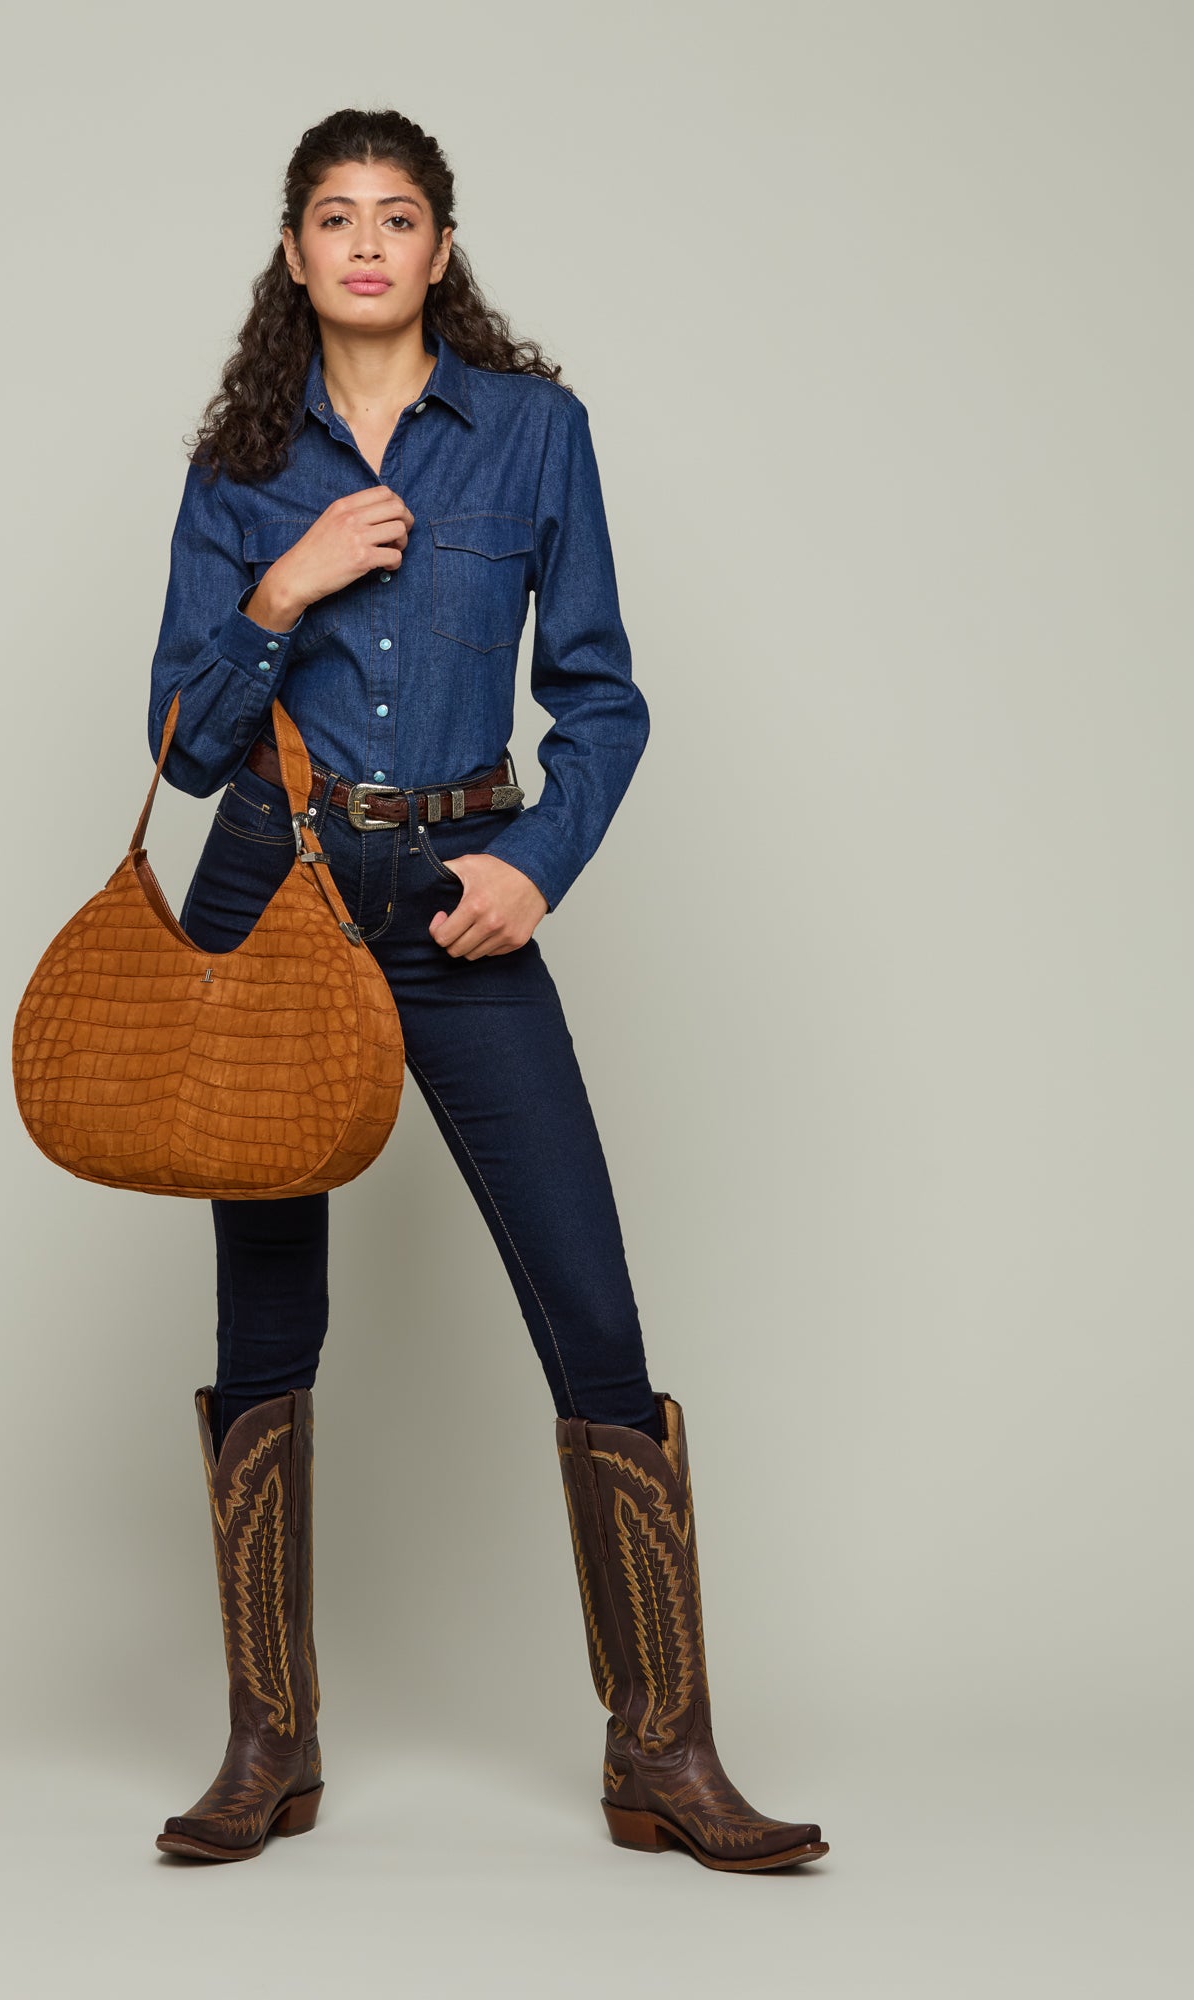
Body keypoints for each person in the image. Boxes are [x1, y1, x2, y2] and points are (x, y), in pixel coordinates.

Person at [144, 108, 826, 1874]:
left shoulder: (533, 433)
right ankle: (269, 1744)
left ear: (442, 249)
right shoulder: (238, 464)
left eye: (399, 216)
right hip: (273, 897)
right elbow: (185, 743)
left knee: (593, 1312)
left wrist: (534, 864)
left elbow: (601, 697)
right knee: (264, 1330)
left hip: (460, 900)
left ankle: (663, 1749)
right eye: (334, 216)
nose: (366, 243)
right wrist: (281, 589)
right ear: (292, 253)